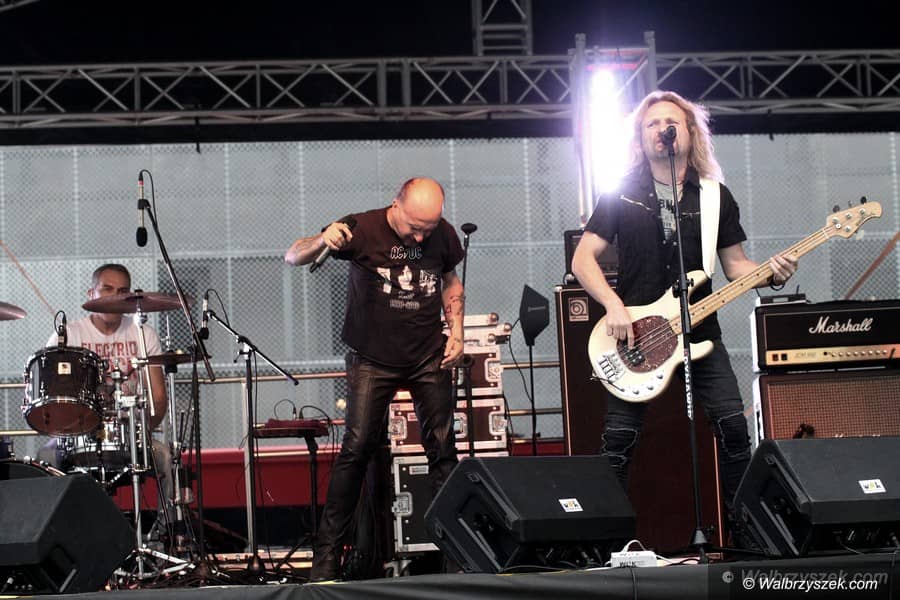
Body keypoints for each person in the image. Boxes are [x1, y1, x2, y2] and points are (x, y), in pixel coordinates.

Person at [571, 90, 798, 545]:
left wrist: (771, 274)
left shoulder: (714, 196)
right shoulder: (621, 192)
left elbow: (735, 266)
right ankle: (603, 547)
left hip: (700, 328)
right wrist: (613, 305)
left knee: (733, 428)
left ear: (690, 132)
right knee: (619, 439)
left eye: (671, 122)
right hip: (636, 334)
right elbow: (582, 259)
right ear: (641, 137)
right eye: (652, 123)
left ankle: (749, 541)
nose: (662, 129)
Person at [285, 177, 465, 581]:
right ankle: (327, 559)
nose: (420, 237)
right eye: (414, 227)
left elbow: (450, 279)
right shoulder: (361, 228)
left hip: (427, 354)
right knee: (357, 448)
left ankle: (457, 556)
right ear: (395, 206)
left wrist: (456, 330)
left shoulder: (442, 234)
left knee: (442, 450)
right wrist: (322, 238)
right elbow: (293, 256)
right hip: (372, 357)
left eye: (428, 229)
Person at [38, 264, 173, 531]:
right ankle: (57, 538)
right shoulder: (68, 335)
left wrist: (141, 431)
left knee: (167, 458)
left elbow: (158, 397)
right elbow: (50, 394)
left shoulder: (143, 334)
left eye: (122, 291)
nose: (115, 297)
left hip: (130, 433)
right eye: (107, 289)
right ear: (92, 293)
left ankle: (165, 534)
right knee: (45, 458)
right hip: (76, 434)